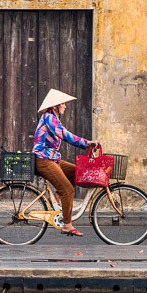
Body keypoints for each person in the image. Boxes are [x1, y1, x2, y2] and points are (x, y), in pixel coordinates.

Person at [32, 88, 98, 237]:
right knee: (68, 190)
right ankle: (67, 225)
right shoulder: (49, 117)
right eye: (63, 104)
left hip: (52, 159)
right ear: (55, 106)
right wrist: (86, 143)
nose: (65, 106)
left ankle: (57, 196)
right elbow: (65, 135)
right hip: (43, 160)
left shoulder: (53, 117)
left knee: (78, 172)